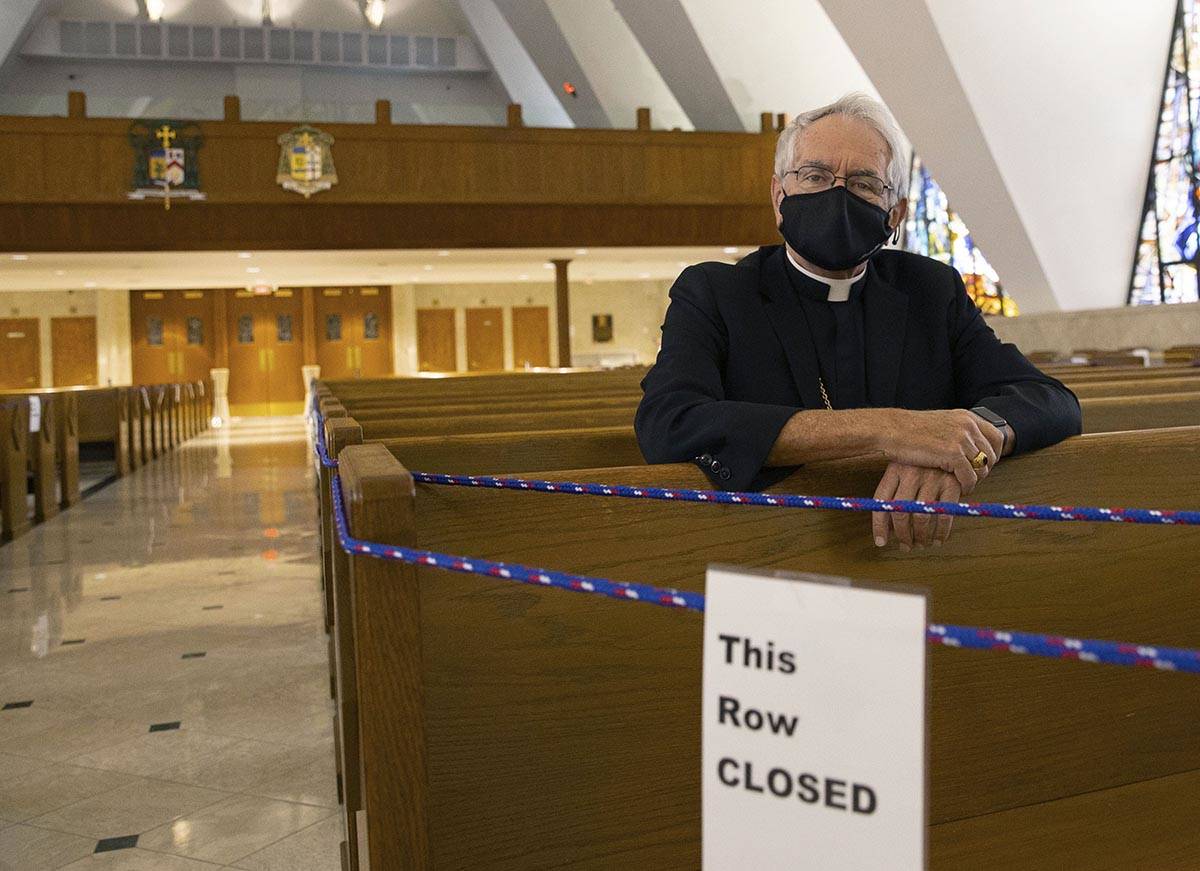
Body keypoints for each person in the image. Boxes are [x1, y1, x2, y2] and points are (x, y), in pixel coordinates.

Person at [634, 92, 1081, 550]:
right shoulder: (715, 293)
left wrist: (958, 443)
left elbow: (1049, 400)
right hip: (765, 551)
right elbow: (670, 423)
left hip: (922, 555)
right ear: (778, 195)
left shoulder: (930, 290)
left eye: (865, 184)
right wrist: (894, 431)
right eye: (814, 175)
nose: (837, 194)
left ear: (896, 214)